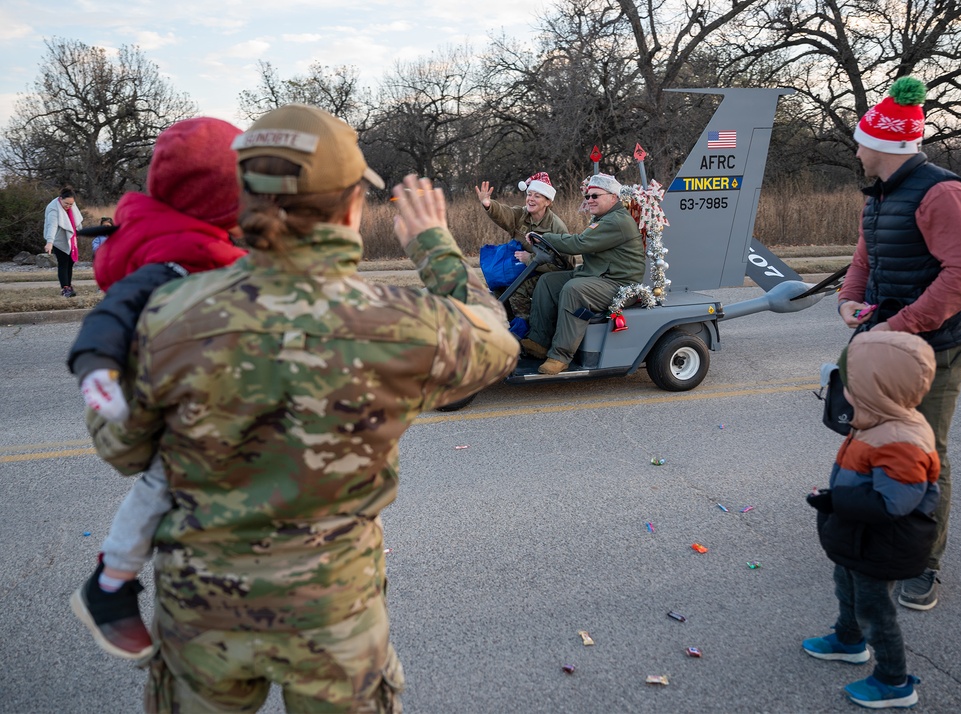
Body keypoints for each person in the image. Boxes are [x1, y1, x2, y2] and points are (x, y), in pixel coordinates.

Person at [85, 103, 520, 712]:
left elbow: (121, 448)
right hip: (335, 615)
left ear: (247, 202)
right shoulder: (401, 325)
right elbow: (496, 343)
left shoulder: (169, 314)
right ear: (349, 208)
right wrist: (434, 244)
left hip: (201, 616)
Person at [69, 116, 248, 661]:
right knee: (164, 477)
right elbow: (109, 317)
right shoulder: (171, 261)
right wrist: (97, 368)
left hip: (201, 404)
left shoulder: (209, 251)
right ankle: (109, 583)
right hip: (161, 410)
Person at [836, 76, 961, 611]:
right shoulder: (881, 194)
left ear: (880, 144)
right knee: (871, 439)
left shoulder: (943, 192)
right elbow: (865, 255)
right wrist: (850, 300)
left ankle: (924, 564)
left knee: (924, 453)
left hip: (936, 347)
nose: (855, 148)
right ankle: (878, 534)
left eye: (859, 139)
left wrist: (895, 328)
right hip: (884, 341)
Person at [803, 330, 940, 709]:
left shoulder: (902, 440)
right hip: (860, 536)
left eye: (848, 383)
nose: (841, 389)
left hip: (883, 542)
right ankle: (848, 640)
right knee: (846, 585)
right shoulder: (876, 421)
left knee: (876, 611)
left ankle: (894, 681)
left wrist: (836, 501)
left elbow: (893, 503)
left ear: (876, 390)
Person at [520, 173, 645, 374]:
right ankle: (539, 341)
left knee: (574, 290)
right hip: (597, 275)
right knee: (548, 282)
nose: (590, 200)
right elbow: (582, 242)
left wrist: (545, 237)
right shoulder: (603, 219)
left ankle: (560, 356)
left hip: (619, 283)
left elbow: (580, 243)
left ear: (613, 197)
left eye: (595, 196)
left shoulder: (617, 221)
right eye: (588, 197)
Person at [475, 172, 571, 324]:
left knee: (517, 290)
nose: (530, 199)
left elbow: (564, 265)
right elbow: (505, 213)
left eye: (537, 196)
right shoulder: (522, 215)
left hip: (545, 273)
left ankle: (529, 329)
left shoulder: (557, 227)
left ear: (547, 202)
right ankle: (513, 325)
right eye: (529, 194)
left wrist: (530, 259)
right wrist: (488, 204)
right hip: (524, 269)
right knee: (498, 287)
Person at [43, 187, 83, 297]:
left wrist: (79, 232)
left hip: (70, 238)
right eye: (66, 204)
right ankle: (64, 288)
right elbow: (52, 226)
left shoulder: (71, 205)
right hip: (58, 240)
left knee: (70, 262)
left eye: (71, 204)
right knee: (64, 263)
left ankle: (69, 286)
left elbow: (76, 219)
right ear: (60, 199)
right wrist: (49, 242)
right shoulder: (53, 209)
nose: (69, 206)